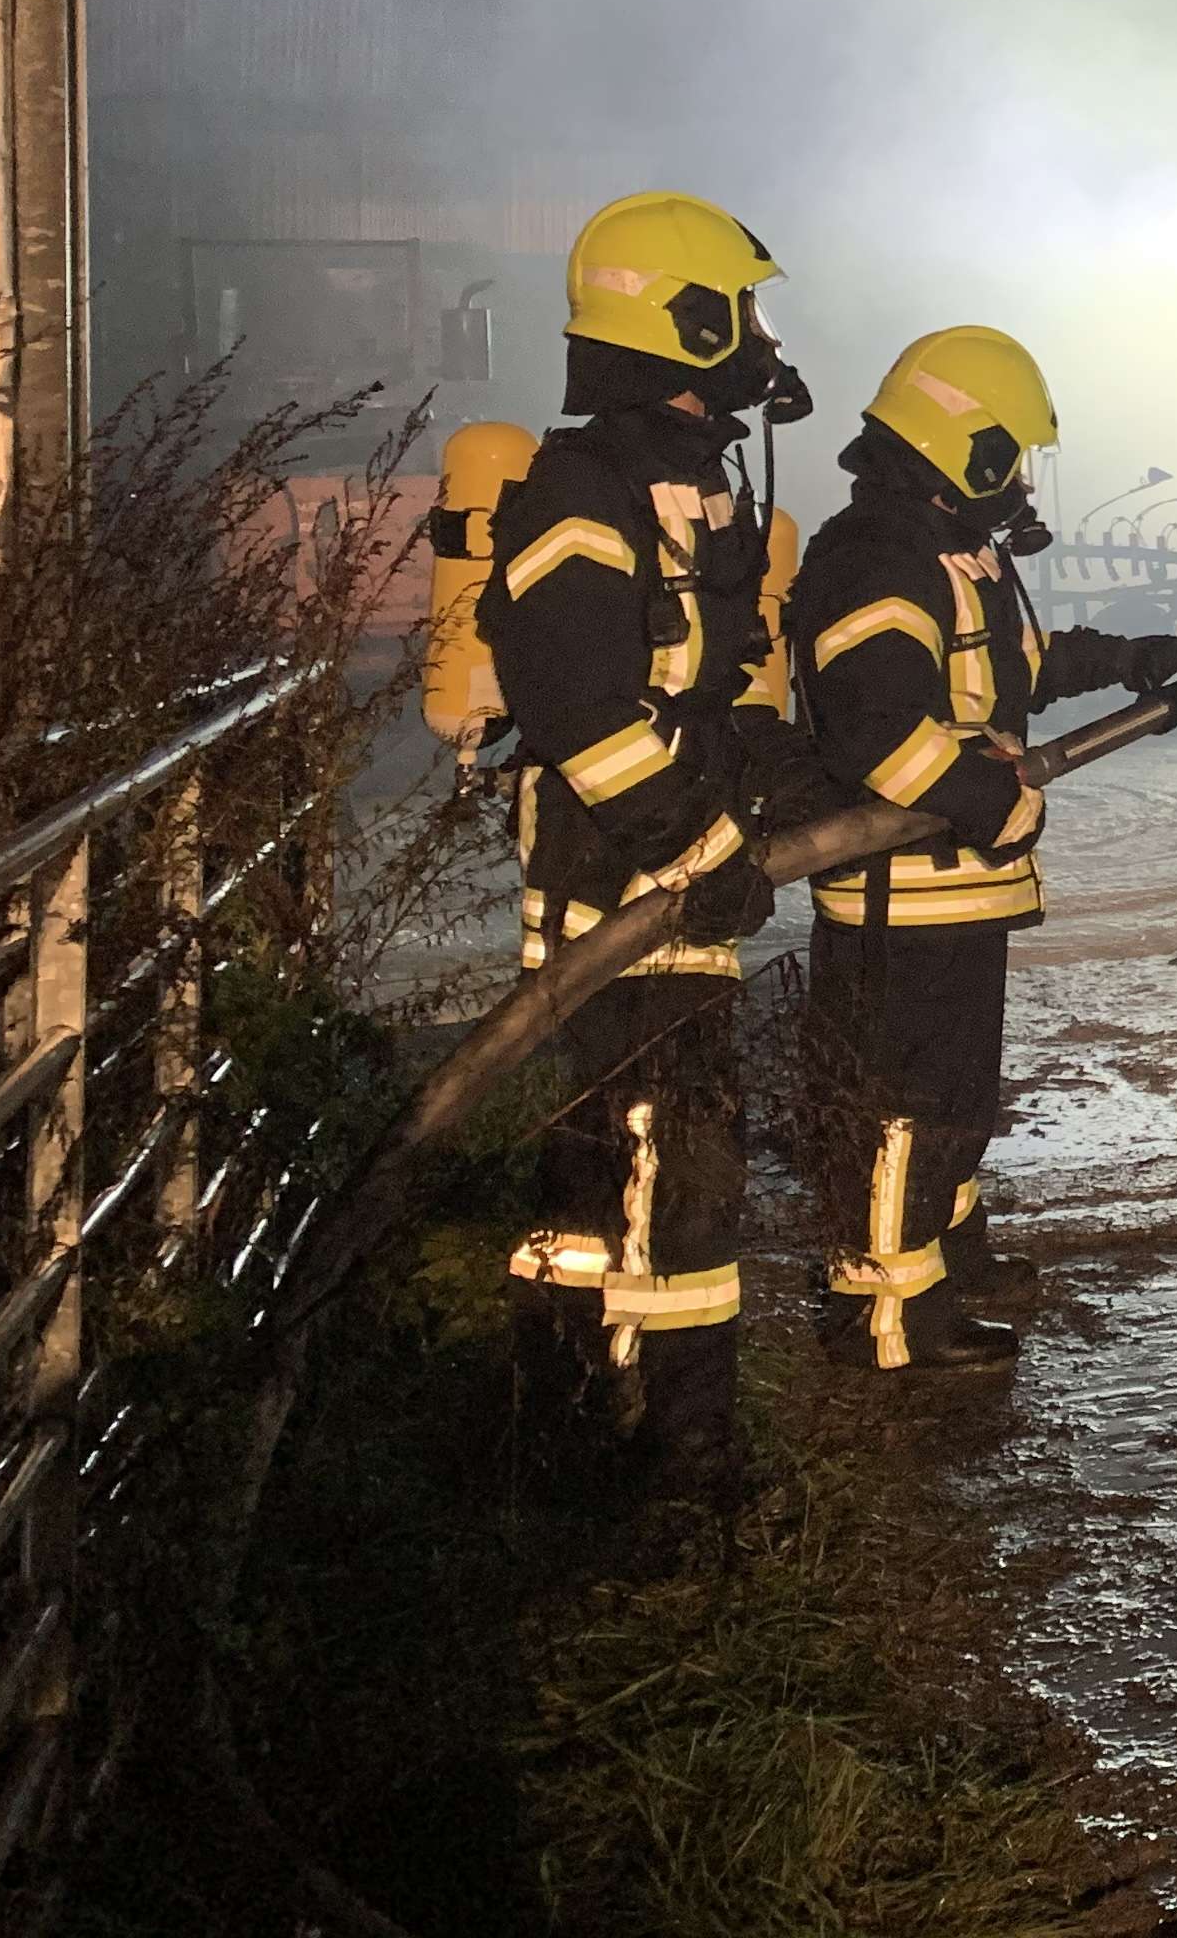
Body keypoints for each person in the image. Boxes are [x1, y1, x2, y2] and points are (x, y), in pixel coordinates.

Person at [789, 326, 1177, 1372]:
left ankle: (948, 1258)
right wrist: (1001, 802)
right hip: (903, 899)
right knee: (904, 1109)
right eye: (1012, 457)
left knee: (954, 1101)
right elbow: (880, 733)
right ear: (967, 450)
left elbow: (1015, 670)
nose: (1022, 481)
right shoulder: (872, 561)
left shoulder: (947, 556)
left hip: (956, 895)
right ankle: (887, 1318)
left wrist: (1132, 659)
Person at [484, 189, 816, 1482]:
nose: (760, 340)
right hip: (614, 902)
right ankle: (658, 1445)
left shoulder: (689, 488)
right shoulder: (582, 494)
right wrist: (698, 848)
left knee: (652, 1178)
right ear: (679, 321)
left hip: (671, 895)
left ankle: (602, 1417)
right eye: (741, 313)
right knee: (652, 1180)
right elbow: (582, 716)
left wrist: (787, 780)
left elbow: (712, 687)